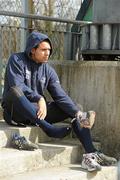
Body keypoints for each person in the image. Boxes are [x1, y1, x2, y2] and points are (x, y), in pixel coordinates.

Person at [1, 31, 117, 172]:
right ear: (32, 49)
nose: (47, 53)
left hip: (37, 113)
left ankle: (90, 154)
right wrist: (39, 98)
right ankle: (48, 128)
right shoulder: (16, 60)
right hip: (15, 112)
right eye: (43, 50)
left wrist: (79, 114)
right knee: (14, 91)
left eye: (49, 50)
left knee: (75, 108)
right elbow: (17, 85)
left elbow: (60, 96)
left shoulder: (48, 70)